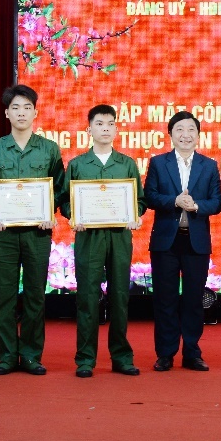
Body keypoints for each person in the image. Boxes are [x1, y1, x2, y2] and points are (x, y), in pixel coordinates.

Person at [0, 84, 65, 376]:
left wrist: (49, 213)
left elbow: (59, 188)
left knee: (35, 296)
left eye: (27, 108)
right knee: (3, 296)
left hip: (37, 233)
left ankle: (30, 355)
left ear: (35, 112)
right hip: (2, 233)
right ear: (7, 113)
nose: (21, 113)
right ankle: (6, 355)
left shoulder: (49, 149)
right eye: (15, 108)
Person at [62, 104, 146, 378]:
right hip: (89, 237)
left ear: (117, 129)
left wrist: (135, 215)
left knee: (120, 296)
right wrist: (74, 216)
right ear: (89, 129)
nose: (105, 129)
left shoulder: (127, 163)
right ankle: (85, 359)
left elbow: (140, 200)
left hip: (119, 236)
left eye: (110, 124)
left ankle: (121, 357)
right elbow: (65, 201)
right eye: (99, 124)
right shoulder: (77, 164)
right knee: (87, 297)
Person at [144, 111, 221, 372]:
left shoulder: (209, 165)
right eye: (179, 129)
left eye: (191, 130)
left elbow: (217, 202)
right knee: (165, 300)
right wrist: (174, 201)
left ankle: (192, 353)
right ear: (170, 134)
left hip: (196, 242)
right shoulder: (158, 163)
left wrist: (196, 206)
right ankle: (165, 354)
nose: (185, 135)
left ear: (198, 135)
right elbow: (150, 196)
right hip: (166, 242)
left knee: (193, 300)